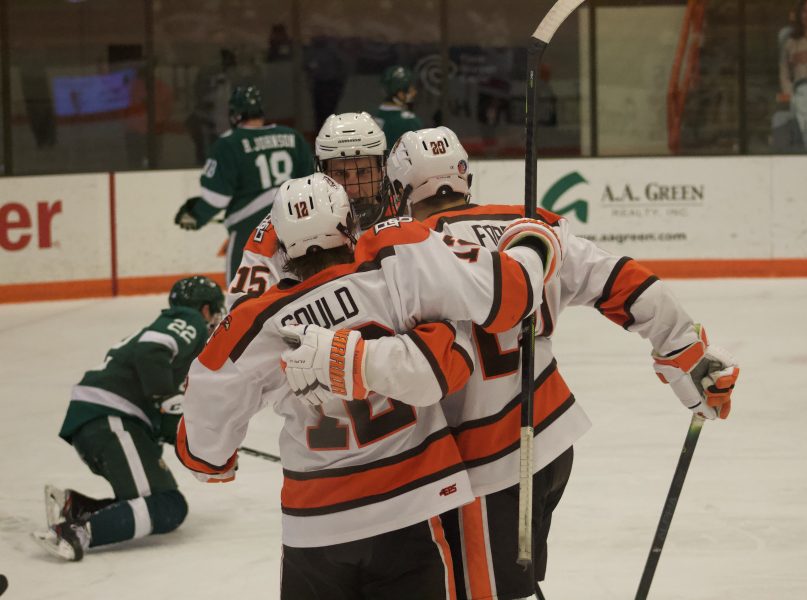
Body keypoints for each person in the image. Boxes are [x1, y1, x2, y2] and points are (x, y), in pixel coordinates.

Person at [289, 126, 740, 599]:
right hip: (550, 442)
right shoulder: (532, 224)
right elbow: (625, 283)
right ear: (464, 177)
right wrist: (687, 358)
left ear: (398, 190)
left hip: (487, 464)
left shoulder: (409, 250)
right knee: (512, 582)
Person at [175, 173, 558, 599]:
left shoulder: (256, 320)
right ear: (348, 225)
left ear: (282, 245)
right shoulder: (396, 266)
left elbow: (202, 449)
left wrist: (216, 463)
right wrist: (532, 245)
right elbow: (508, 299)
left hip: (316, 528)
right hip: (412, 510)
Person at [32, 276, 225, 562]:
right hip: (111, 417)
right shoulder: (189, 320)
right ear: (205, 310)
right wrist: (164, 398)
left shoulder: (184, 353)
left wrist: (199, 445)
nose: (215, 320)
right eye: (215, 312)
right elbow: (151, 351)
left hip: (104, 419)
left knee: (159, 504)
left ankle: (76, 509)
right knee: (165, 505)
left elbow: (167, 416)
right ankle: (75, 531)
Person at [224, 111, 388, 309]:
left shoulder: (408, 208)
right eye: (340, 174)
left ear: (381, 169)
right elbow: (242, 309)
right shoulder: (288, 219)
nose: (352, 187)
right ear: (322, 171)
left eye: (363, 172)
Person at [173, 85, 315, 283]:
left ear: (234, 115)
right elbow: (311, 185)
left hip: (249, 232)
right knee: (299, 290)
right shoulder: (292, 136)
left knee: (242, 296)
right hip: (295, 229)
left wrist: (197, 215)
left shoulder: (229, 144)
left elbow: (217, 198)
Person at [373, 65, 423, 149]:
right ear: (400, 93)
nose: (415, 92)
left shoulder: (371, 118)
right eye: (411, 89)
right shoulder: (410, 121)